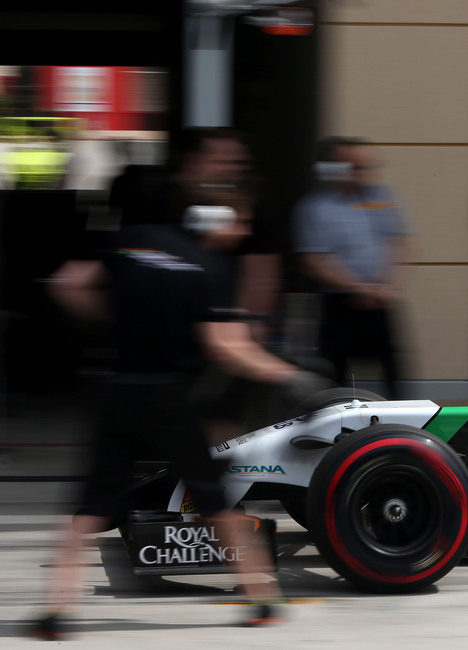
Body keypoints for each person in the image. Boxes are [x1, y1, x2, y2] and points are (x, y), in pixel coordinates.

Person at [27, 129, 313, 640]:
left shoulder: (128, 243)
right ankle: (263, 598)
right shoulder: (207, 267)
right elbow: (226, 346)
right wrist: (286, 373)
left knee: (90, 506)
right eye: (238, 220)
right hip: (170, 399)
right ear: (214, 218)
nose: (242, 229)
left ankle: (55, 610)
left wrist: (114, 318)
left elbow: (67, 284)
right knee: (214, 501)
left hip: (117, 391)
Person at [293, 137, 411, 398]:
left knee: (395, 375)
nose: (361, 173)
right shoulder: (315, 207)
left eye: (364, 166)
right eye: (353, 166)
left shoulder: (383, 199)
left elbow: (398, 243)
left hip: (380, 300)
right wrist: (357, 288)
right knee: (336, 376)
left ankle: (404, 428)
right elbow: (314, 260)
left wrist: (386, 285)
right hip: (339, 303)